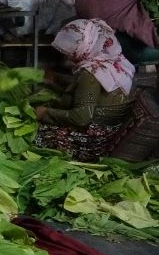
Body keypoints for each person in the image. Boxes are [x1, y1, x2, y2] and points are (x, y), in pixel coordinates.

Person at [34, 18, 135, 162]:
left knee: (36, 133)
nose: (67, 55)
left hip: (95, 141)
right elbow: (84, 92)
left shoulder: (91, 73)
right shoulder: (113, 61)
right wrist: (54, 80)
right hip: (110, 130)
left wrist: (45, 113)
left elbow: (82, 118)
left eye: (71, 49)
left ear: (85, 46)